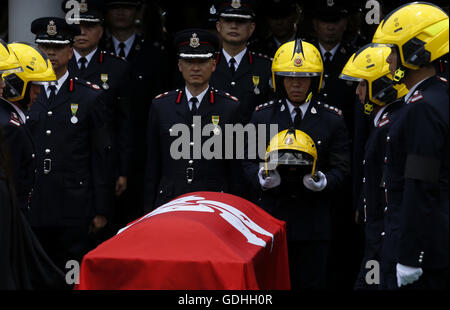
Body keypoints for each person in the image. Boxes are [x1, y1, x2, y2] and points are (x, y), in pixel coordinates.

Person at [243, 39, 351, 289]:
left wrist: (324, 182)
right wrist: (260, 178)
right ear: (278, 79)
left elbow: (342, 167)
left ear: (315, 80)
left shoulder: (332, 119)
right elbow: (246, 161)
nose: (296, 84)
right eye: (290, 77)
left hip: (314, 223)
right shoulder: (261, 116)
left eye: (303, 77)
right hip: (271, 220)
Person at [372, 2, 448, 290]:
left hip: (424, 252)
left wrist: (410, 257)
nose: (389, 60)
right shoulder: (437, 96)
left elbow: (420, 184)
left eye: (394, 50)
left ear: (415, 50)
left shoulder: (423, 108)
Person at [26, 17, 110, 272]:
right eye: (45, 46)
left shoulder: (89, 95)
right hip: (34, 202)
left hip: (73, 204)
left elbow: (101, 156)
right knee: (35, 273)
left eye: (58, 46)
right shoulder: (24, 93)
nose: (51, 52)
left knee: (71, 274)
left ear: (71, 52)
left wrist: (101, 209)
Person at [143, 29, 239, 212]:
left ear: (213, 64)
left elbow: (235, 169)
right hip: (170, 200)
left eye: (202, 62)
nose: (195, 68)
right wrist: (149, 211)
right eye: (189, 61)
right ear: (179, 65)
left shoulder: (230, 108)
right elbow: (152, 166)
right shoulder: (161, 106)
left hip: (213, 203)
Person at [339, 43, 408, 290]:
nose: (357, 92)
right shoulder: (383, 122)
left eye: (362, 84)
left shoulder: (391, 126)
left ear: (380, 85)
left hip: (385, 236)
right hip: (377, 234)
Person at [0, 40, 65, 289]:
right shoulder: (9, 127)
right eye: (35, 86)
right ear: (18, 85)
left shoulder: (13, 120)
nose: (39, 93)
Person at [63, 0, 133, 215]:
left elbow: (125, 122)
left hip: (103, 158)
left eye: (89, 26)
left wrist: (123, 170)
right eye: (76, 27)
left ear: (101, 31)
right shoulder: (55, 63)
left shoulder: (117, 67)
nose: (81, 32)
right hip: (65, 156)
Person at [103, 0, 169, 223]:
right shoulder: (98, 51)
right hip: (105, 148)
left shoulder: (154, 52)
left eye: (128, 6)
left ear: (138, 11)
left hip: (143, 149)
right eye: (114, 6)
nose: (121, 12)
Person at [210, 0, 273, 125]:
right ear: (218, 26)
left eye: (241, 21)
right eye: (228, 20)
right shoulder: (205, 64)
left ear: (251, 28)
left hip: (253, 141)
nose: (234, 26)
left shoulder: (266, 67)